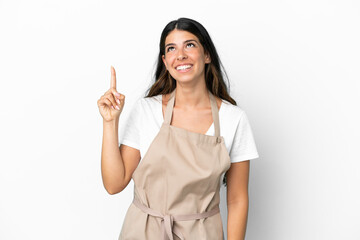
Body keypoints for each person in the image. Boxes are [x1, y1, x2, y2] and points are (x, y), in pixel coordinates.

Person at [97, 17, 259, 240]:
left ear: (207, 55)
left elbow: (237, 199)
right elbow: (114, 184)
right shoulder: (146, 110)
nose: (180, 55)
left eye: (190, 45)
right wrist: (110, 122)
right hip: (143, 232)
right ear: (165, 61)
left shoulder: (233, 119)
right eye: (171, 48)